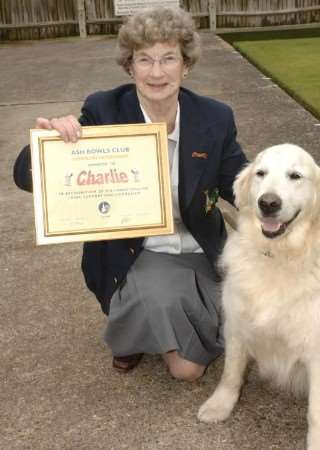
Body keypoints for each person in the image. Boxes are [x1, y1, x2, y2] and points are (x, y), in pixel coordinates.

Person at [13, 6, 248, 382]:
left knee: (257, 316)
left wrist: (280, 203)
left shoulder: (214, 117)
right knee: (188, 371)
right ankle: (134, 323)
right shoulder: (104, 109)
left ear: (185, 65)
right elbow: (26, 176)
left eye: (168, 58)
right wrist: (51, 142)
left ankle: (144, 327)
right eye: (145, 59)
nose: (157, 72)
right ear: (130, 67)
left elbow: (241, 183)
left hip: (202, 252)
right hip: (139, 255)